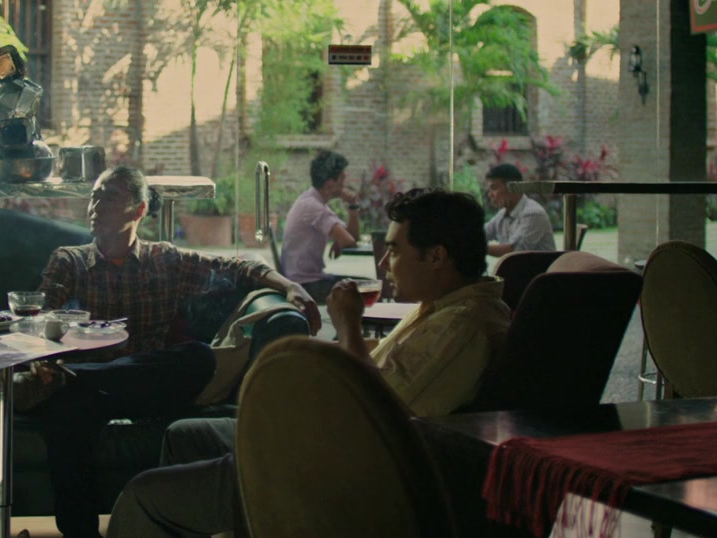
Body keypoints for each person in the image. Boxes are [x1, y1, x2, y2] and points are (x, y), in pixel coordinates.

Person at [105, 188, 510, 538]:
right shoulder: (439, 308)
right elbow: (387, 372)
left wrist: (348, 325)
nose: (384, 263)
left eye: (394, 249)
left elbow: (380, 407)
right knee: (183, 435)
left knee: (143, 496)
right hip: (320, 437)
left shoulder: (465, 324)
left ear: (436, 256)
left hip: (333, 466)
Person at [30, 165, 322, 538]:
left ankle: (76, 379)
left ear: (138, 210)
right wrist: (46, 354)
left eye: (110, 197)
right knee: (65, 406)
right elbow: (38, 322)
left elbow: (237, 267)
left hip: (147, 388)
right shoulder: (69, 261)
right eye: (94, 196)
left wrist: (291, 286)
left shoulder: (163, 259)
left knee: (198, 357)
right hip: (93, 395)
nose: (96, 205)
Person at [280, 150, 362, 302]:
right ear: (330, 183)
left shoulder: (312, 201)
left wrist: (353, 205)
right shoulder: (313, 206)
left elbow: (351, 237)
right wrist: (341, 239)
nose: (344, 183)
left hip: (305, 281)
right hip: (306, 285)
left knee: (365, 285)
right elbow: (349, 241)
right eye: (342, 178)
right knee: (369, 286)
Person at [483, 163, 556, 256]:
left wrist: (476, 247)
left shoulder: (533, 213)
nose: (490, 194)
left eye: (494, 188)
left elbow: (513, 251)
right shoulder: (502, 214)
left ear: (513, 187)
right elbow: (481, 233)